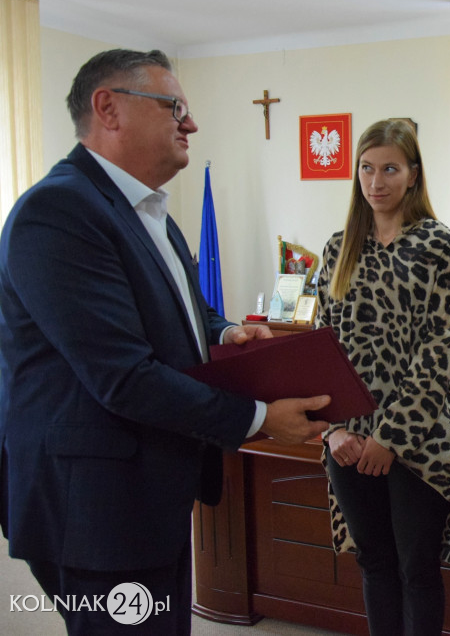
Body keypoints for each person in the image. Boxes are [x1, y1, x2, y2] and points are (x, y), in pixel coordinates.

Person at [0, 49, 331, 635]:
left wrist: (225, 332)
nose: (192, 124)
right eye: (174, 107)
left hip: (148, 491)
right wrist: (259, 418)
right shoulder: (59, 211)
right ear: (109, 109)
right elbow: (123, 376)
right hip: (97, 508)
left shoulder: (147, 211)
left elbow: (185, 311)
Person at [317, 118, 450, 636]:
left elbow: (437, 353)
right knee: (374, 562)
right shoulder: (338, 247)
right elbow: (320, 348)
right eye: (366, 168)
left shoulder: (437, 245)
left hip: (417, 439)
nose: (376, 181)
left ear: (413, 174)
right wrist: (333, 430)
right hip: (348, 437)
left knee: (416, 570)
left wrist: (390, 439)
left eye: (389, 169)